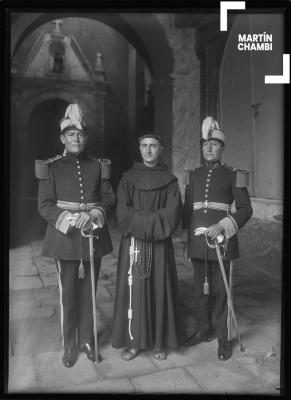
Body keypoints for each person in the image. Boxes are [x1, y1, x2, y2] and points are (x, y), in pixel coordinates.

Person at [36, 104, 115, 368]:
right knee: (68, 293)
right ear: (63, 138)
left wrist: (93, 213)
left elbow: (108, 197)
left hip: (93, 236)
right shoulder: (52, 167)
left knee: (89, 292)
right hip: (65, 239)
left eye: (80, 134)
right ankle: (69, 343)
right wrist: (71, 219)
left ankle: (87, 340)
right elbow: (45, 205)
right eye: (71, 135)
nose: (76, 139)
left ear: (86, 137)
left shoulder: (98, 165)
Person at [182, 116, 253, 361]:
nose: (209, 148)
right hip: (197, 242)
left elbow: (245, 209)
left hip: (222, 242)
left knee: (222, 291)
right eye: (205, 144)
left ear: (223, 148)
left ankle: (223, 337)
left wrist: (223, 225)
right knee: (200, 290)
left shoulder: (234, 174)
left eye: (214, 144)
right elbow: (187, 211)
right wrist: (185, 240)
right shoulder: (192, 175)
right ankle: (204, 329)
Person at [112, 132, 183, 361]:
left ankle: (159, 342)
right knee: (134, 290)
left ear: (161, 148)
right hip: (133, 243)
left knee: (160, 289)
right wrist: (148, 224)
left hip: (160, 245)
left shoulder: (170, 181)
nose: (148, 150)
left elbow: (173, 213)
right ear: (139, 148)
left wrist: (143, 223)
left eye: (153, 145)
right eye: (144, 145)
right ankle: (134, 342)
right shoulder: (127, 178)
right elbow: (122, 211)